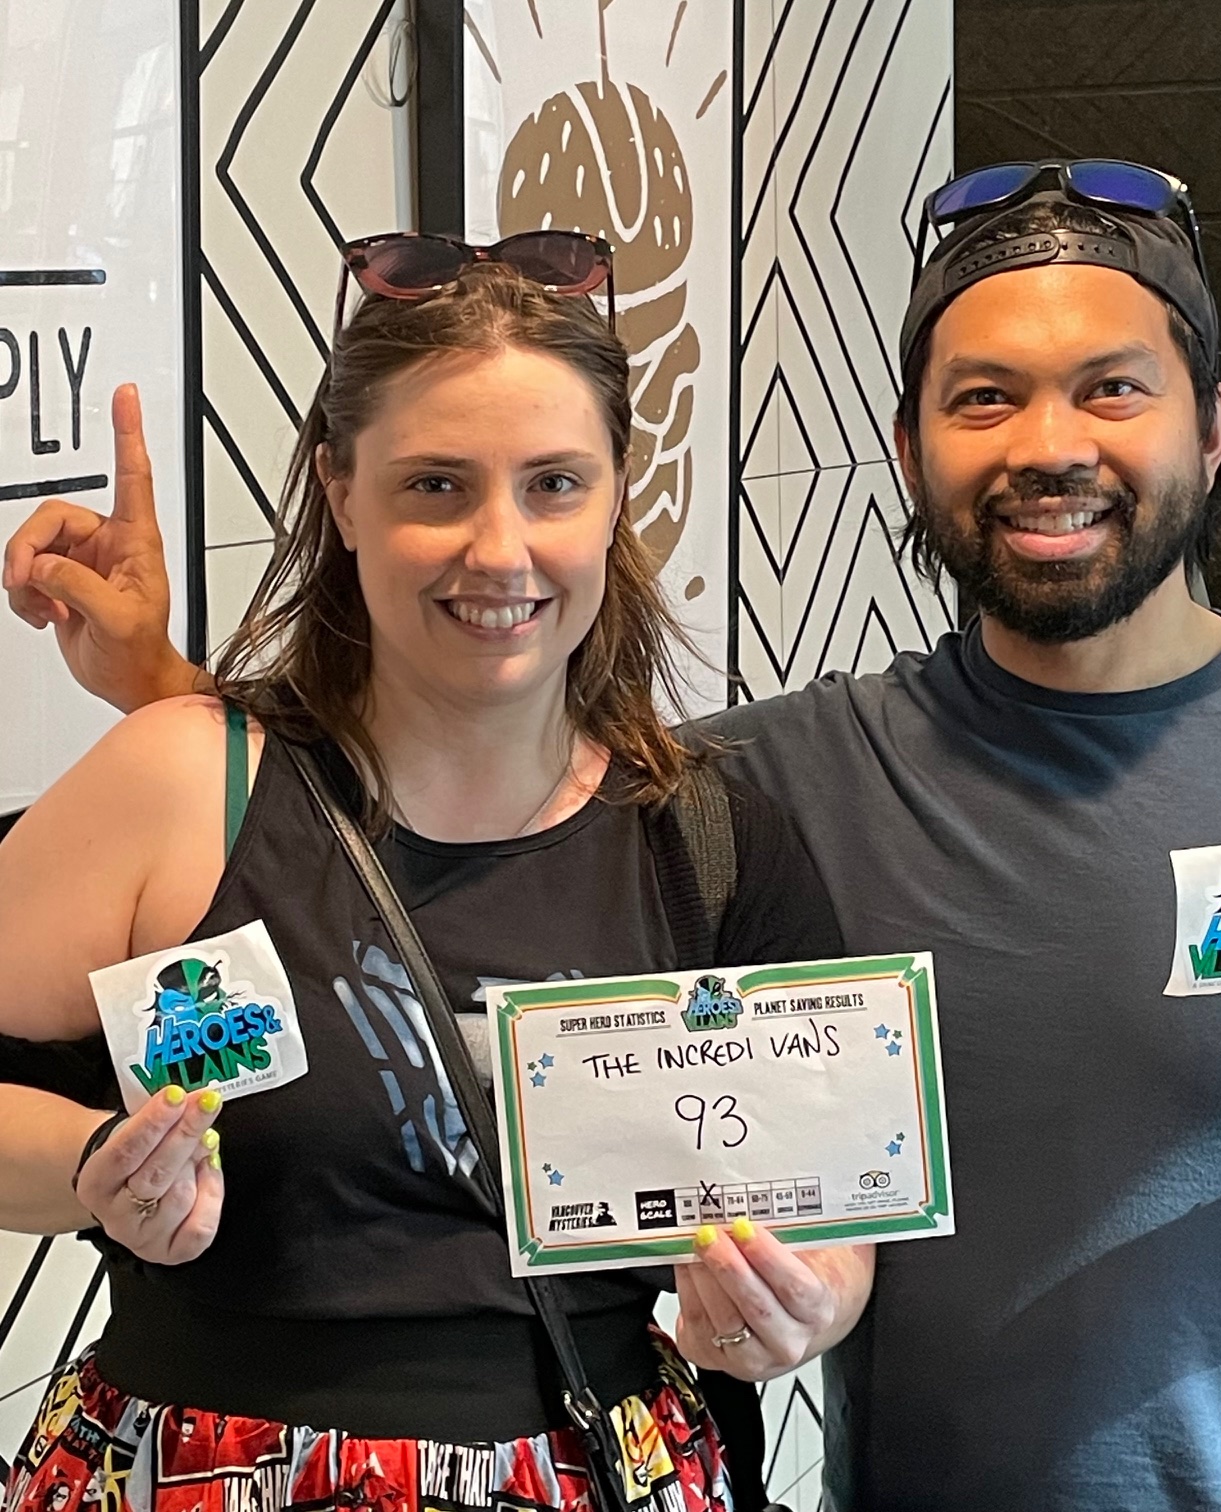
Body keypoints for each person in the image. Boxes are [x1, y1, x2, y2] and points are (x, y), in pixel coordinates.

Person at [10, 162, 1221, 1511]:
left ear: (1215, 427)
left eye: (1112, 388)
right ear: (911, 445)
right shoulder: (776, 779)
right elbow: (396, 809)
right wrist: (178, 712)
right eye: (984, 397)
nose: (1048, 445)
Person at [0, 242, 871, 1512]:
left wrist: (796, 1310)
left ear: (616, 494)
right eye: (436, 485)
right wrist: (91, 1166)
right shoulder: (180, 782)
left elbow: (836, 1215)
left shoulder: (706, 842)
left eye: (554, 483)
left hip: (601, 1465)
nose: (499, 549)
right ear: (341, 494)